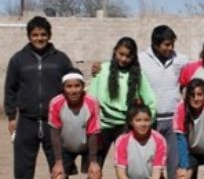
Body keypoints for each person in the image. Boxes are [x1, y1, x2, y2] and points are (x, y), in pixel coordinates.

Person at [4, 16, 74, 179]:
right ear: (29, 36)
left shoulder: (61, 59)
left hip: (55, 122)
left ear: (49, 35)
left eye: (43, 34)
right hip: (27, 121)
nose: (39, 38)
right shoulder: (18, 59)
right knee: (23, 170)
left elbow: (72, 82)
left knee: (59, 169)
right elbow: (10, 88)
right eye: (35, 35)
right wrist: (11, 116)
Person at [89, 37, 157, 167]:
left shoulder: (138, 75)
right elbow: (91, 99)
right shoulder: (102, 69)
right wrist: (91, 124)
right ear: (115, 51)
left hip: (125, 126)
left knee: (127, 166)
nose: (124, 59)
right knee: (95, 166)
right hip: (102, 125)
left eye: (128, 56)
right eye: (121, 54)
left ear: (134, 57)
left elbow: (151, 101)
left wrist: (146, 122)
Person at [138, 25, 189, 179]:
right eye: (167, 44)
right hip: (151, 120)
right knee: (152, 165)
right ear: (155, 44)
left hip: (173, 120)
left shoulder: (181, 59)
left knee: (174, 164)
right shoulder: (140, 59)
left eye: (172, 44)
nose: (170, 48)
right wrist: (98, 67)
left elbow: (197, 69)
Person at [48, 69, 102, 179]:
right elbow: (55, 133)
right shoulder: (56, 103)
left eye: (77, 86)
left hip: (88, 147)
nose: (73, 90)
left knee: (95, 175)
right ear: (63, 88)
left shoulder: (91, 102)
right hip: (65, 147)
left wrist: (93, 161)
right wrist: (58, 162)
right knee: (58, 176)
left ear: (83, 87)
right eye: (69, 86)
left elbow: (93, 133)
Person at [173, 78, 204, 179]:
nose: (196, 98)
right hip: (191, 152)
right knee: (182, 176)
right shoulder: (181, 107)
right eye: (192, 94)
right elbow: (181, 139)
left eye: (200, 95)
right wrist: (184, 167)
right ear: (187, 96)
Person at [114, 105, 168, 179]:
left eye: (146, 120)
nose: (143, 124)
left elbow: (156, 174)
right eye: (138, 120)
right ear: (131, 122)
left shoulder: (159, 140)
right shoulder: (122, 140)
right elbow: (121, 174)